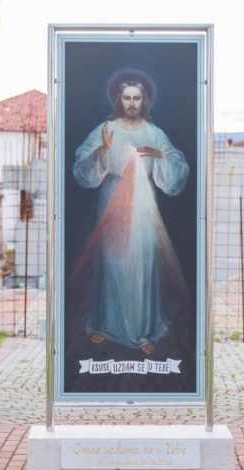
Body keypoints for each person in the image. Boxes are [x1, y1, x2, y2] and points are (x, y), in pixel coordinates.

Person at [72, 68, 189, 356]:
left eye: (137, 98)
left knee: (142, 263)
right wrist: (102, 150)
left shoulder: (154, 133)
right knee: (111, 262)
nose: (132, 103)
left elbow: (178, 165)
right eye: (127, 98)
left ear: (144, 100)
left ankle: (142, 332)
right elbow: (81, 165)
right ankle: (104, 324)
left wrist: (159, 154)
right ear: (119, 99)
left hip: (144, 203)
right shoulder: (106, 129)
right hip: (113, 200)